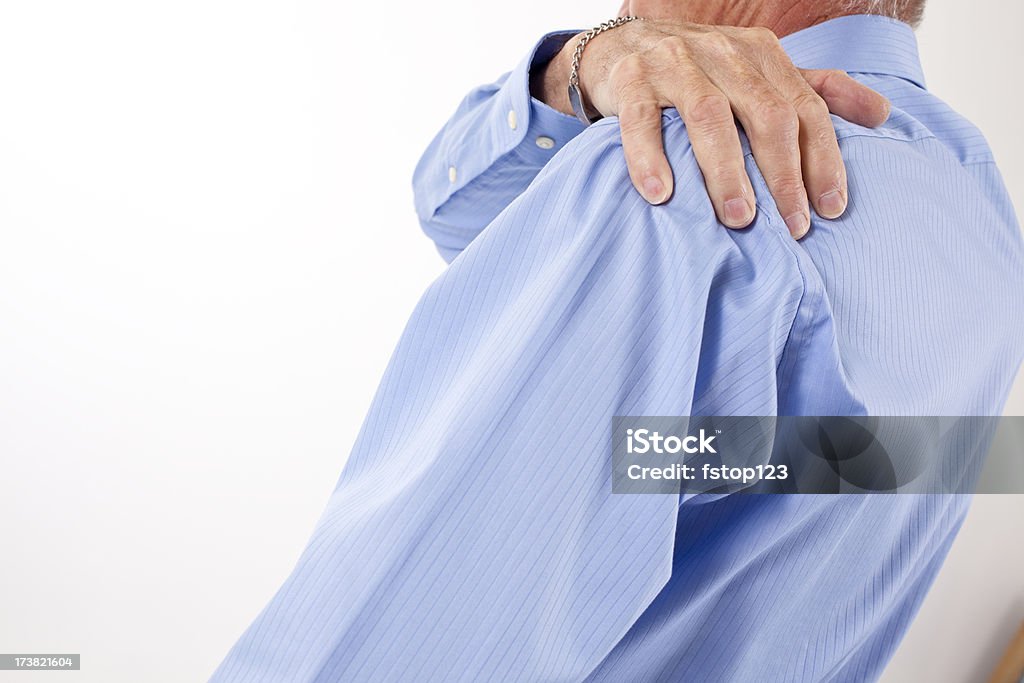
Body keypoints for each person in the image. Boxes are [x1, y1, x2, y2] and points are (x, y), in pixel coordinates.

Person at [210, 1, 1024, 681]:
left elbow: (398, 635)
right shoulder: (976, 202)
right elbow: (454, 208)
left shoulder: (673, 173)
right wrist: (578, 69)